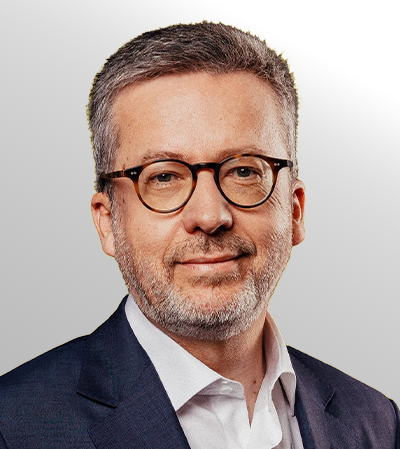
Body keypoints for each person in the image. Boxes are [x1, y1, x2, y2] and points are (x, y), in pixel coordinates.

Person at [0, 22, 398, 449]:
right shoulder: (14, 426)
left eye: (243, 171)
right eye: (164, 177)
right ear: (107, 222)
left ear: (295, 209)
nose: (210, 216)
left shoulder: (377, 422)